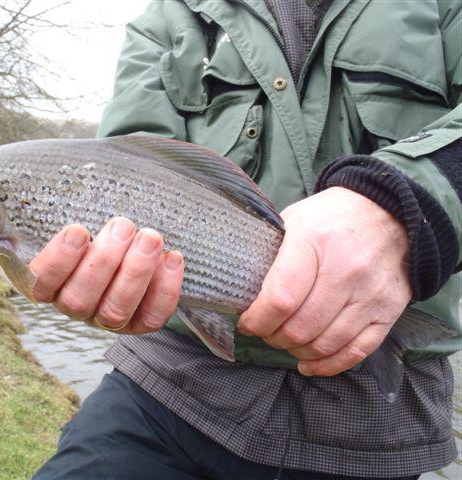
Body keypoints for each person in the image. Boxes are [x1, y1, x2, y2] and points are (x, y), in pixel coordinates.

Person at [31, 1, 461, 479]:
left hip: (369, 423)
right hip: (173, 381)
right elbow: (132, 158)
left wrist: (407, 207)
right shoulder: (171, 17)